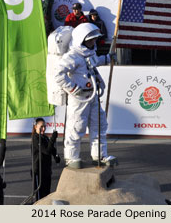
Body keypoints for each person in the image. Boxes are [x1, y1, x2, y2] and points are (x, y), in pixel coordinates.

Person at [54, 23, 117, 169]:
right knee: (76, 127)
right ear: (81, 40)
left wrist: (108, 58)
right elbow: (58, 74)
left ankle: (99, 155)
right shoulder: (73, 56)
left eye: (94, 40)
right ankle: (71, 158)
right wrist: (74, 88)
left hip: (92, 96)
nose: (93, 42)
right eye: (90, 40)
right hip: (79, 98)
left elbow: (95, 62)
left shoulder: (89, 53)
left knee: (99, 125)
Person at [31, 118, 60, 201]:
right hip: (38, 171)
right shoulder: (35, 138)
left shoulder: (45, 138)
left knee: (47, 194)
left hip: (46, 170)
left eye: (45, 127)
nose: (43, 129)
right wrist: (53, 139)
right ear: (36, 127)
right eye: (41, 127)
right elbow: (46, 151)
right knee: (40, 197)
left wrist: (56, 155)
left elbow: (51, 149)